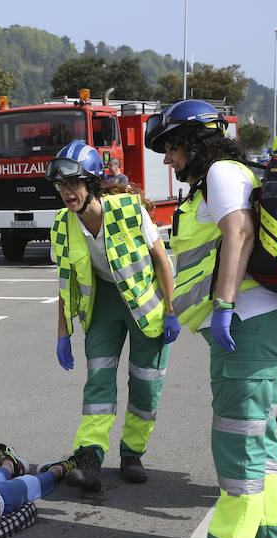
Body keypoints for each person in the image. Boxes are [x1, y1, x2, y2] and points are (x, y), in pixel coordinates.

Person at [145, 99, 277, 538]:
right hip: (268, 319)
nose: (167, 159)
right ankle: (272, 535)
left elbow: (238, 233)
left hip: (250, 323)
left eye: (172, 146)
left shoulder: (221, 173)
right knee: (260, 433)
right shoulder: (227, 175)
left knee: (237, 437)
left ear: (196, 142)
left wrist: (223, 306)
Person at [49, 140, 179, 493]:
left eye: (74, 183)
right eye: (61, 185)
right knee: (99, 382)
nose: (67, 192)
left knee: (146, 383)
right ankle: (89, 456)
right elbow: (65, 284)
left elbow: (161, 260)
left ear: (92, 184)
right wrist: (63, 334)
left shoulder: (129, 210)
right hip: (103, 303)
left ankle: (132, 454)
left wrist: (170, 310)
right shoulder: (62, 224)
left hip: (145, 304)